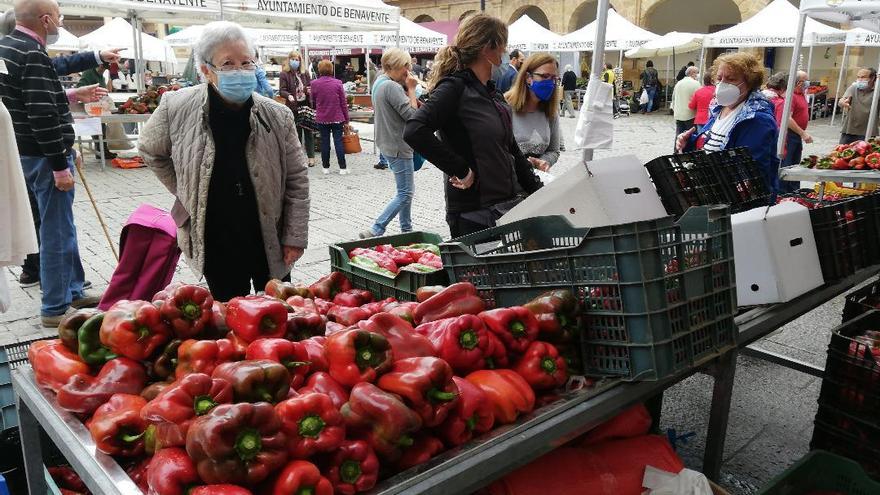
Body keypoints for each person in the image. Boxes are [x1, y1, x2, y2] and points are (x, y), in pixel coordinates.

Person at [139, 21, 309, 301]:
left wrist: (295, 235)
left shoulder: (277, 115)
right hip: (215, 232)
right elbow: (150, 150)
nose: (240, 71)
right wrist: (185, 188)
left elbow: (297, 178)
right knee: (230, 313)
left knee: (279, 309)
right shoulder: (176, 106)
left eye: (246, 62)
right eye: (228, 63)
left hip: (268, 230)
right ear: (206, 70)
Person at [0, 0, 110, 326]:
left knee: (59, 225)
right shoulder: (32, 53)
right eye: (59, 18)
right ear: (46, 20)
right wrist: (60, 164)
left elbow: (27, 96)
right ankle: (55, 306)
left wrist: (74, 96)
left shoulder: (8, 47)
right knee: (57, 230)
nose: (59, 24)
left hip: (22, 153)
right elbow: (42, 113)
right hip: (43, 156)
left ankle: (72, 289)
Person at [404, 14, 542, 238]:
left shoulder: (492, 93)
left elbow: (512, 149)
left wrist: (539, 193)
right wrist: (461, 169)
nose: (505, 52)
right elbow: (414, 130)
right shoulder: (454, 88)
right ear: (488, 49)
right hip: (474, 215)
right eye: (503, 45)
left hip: (506, 207)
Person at [676, 52, 780, 192]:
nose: (722, 83)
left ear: (749, 82)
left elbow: (752, 170)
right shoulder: (719, 108)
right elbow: (711, 144)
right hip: (714, 191)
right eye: (719, 78)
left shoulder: (757, 119)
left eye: (730, 79)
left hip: (738, 201)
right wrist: (689, 142)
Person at [361, 48, 419, 239]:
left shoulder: (380, 81)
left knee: (405, 191)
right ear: (395, 66)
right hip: (398, 145)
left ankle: (406, 230)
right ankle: (377, 228)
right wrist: (411, 90)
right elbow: (412, 116)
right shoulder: (392, 87)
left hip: (387, 143)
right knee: (405, 193)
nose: (408, 70)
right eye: (406, 66)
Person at [505, 52, 561, 172]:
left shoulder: (550, 111)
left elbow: (554, 150)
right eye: (544, 76)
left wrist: (545, 161)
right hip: (509, 183)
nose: (550, 83)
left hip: (536, 182)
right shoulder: (505, 107)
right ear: (528, 78)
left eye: (553, 78)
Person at [765, 72, 813, 193]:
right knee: (786, 167)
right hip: (788, 137)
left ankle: (793, 192)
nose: (808, 83)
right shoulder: (785, 100)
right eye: (805, 80)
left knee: (794, 167)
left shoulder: (800, 94)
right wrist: (802, 133)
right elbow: (786, 120)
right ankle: (785, 194)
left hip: (793, 137)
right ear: (798, 82)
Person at [311, 59, 350, 174]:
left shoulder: (314, 84)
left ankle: (325, 168)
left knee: (325, 142)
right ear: (331, 69)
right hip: (337, 117)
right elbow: (343, 102)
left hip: (322, 118)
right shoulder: (338, 83)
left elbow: (312, 101)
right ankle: (342, 168)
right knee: (338, 142)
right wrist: (347, 119)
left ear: (319, 70)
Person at [280, 51, 315, 167]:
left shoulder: (305, 73)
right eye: (293, 59)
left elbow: (310, 86)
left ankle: (311, 158)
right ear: (289, 60)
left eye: (297, 59)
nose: (295, 61)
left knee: (308, 132)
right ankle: (299, 158)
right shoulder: (284, 74)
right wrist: (288, 95)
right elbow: (282, 90)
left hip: (305, 106)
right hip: (293, 107)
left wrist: (308, 90)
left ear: (300, 61)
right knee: (296, 134)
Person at [838, 68, 879, 144]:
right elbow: (842, 100)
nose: (860, 80)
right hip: (849, 130)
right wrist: (843, 102)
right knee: (842, 152)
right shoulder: (853, 88)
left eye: (863, 77)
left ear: (873, 78)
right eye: (858, 77)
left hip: (868, 131)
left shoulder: (877, 91)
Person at [672, 66, 700, 147]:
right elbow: (699, 97)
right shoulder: (696, 83)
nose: (698, 75)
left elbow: (673, 98)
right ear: (692, 73)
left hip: (678, 114)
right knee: (691, 136)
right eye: (697, 73)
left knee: (679, 136)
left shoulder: (679, 83)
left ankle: (676, 153)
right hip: (690, 114)